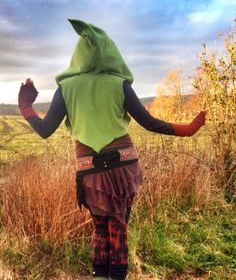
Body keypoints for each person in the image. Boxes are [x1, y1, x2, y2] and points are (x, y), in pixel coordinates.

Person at [18, 19, 206, 280]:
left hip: (89, 171)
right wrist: (189, 128)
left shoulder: (66, 88)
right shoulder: (119, 84)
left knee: (99, 230)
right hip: (124, 167)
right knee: (119, 228)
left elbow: (45, 129)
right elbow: (150, 122)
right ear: (110, 52)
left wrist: (26, 105)